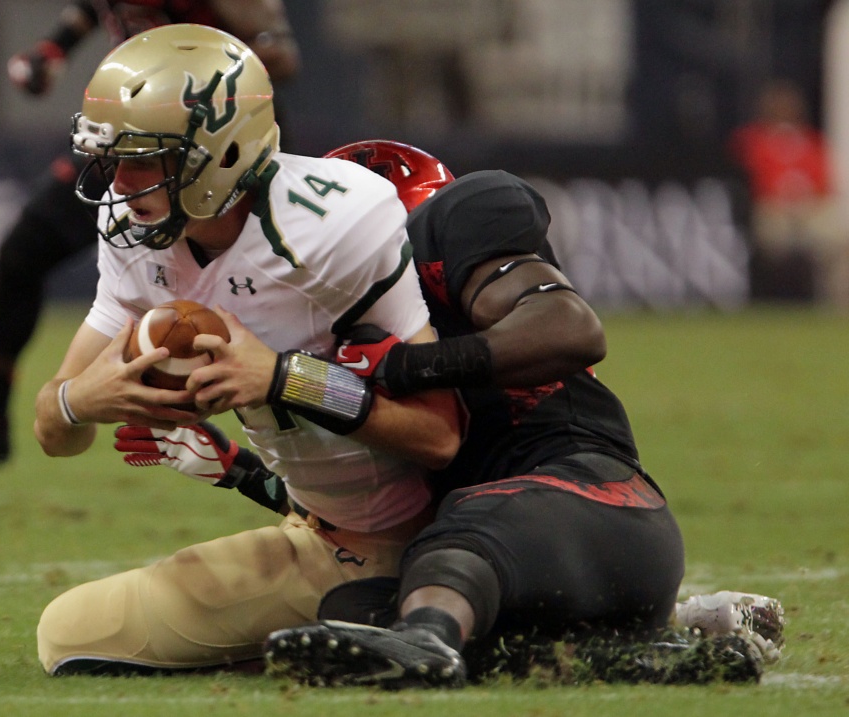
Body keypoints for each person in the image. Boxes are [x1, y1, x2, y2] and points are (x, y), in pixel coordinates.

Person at [125, 141, 783, 687]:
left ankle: (429, 642)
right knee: (355, 604)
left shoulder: (454, 223)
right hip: (519, 555)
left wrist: (403, 367)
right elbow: (374, 507)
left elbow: (573, 328)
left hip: (595, 500)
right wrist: (239, 469)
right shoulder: (338, 331)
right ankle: (645, 650)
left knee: (464, 534)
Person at [31, 25, 462, 675]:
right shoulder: (133, 229)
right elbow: (51, 431)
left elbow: (439, 435)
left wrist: (286, 378)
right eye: (113, 155)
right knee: (69, 632)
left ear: (221, 152)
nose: (121, 181)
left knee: (80, 634)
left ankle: (426, 611)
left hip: (429, 540)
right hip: (314, 524)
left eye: (145, 157)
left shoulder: (336, 224)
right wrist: (80, 400)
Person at [0, 0, 301, 479]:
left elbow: (281, 60)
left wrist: (195, 65)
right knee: (22, 252)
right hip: (140, 140)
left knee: (267, 291)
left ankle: (297, 432)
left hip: (210, 147)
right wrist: (54, 48)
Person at [729, 78, 849, 308]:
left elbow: (825, 187)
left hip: (809, 210)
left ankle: (835, 304)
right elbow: (742, 181)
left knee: (840, 237)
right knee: (772, 233)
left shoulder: (812, 142)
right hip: (772, 210)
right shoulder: (752, 141)